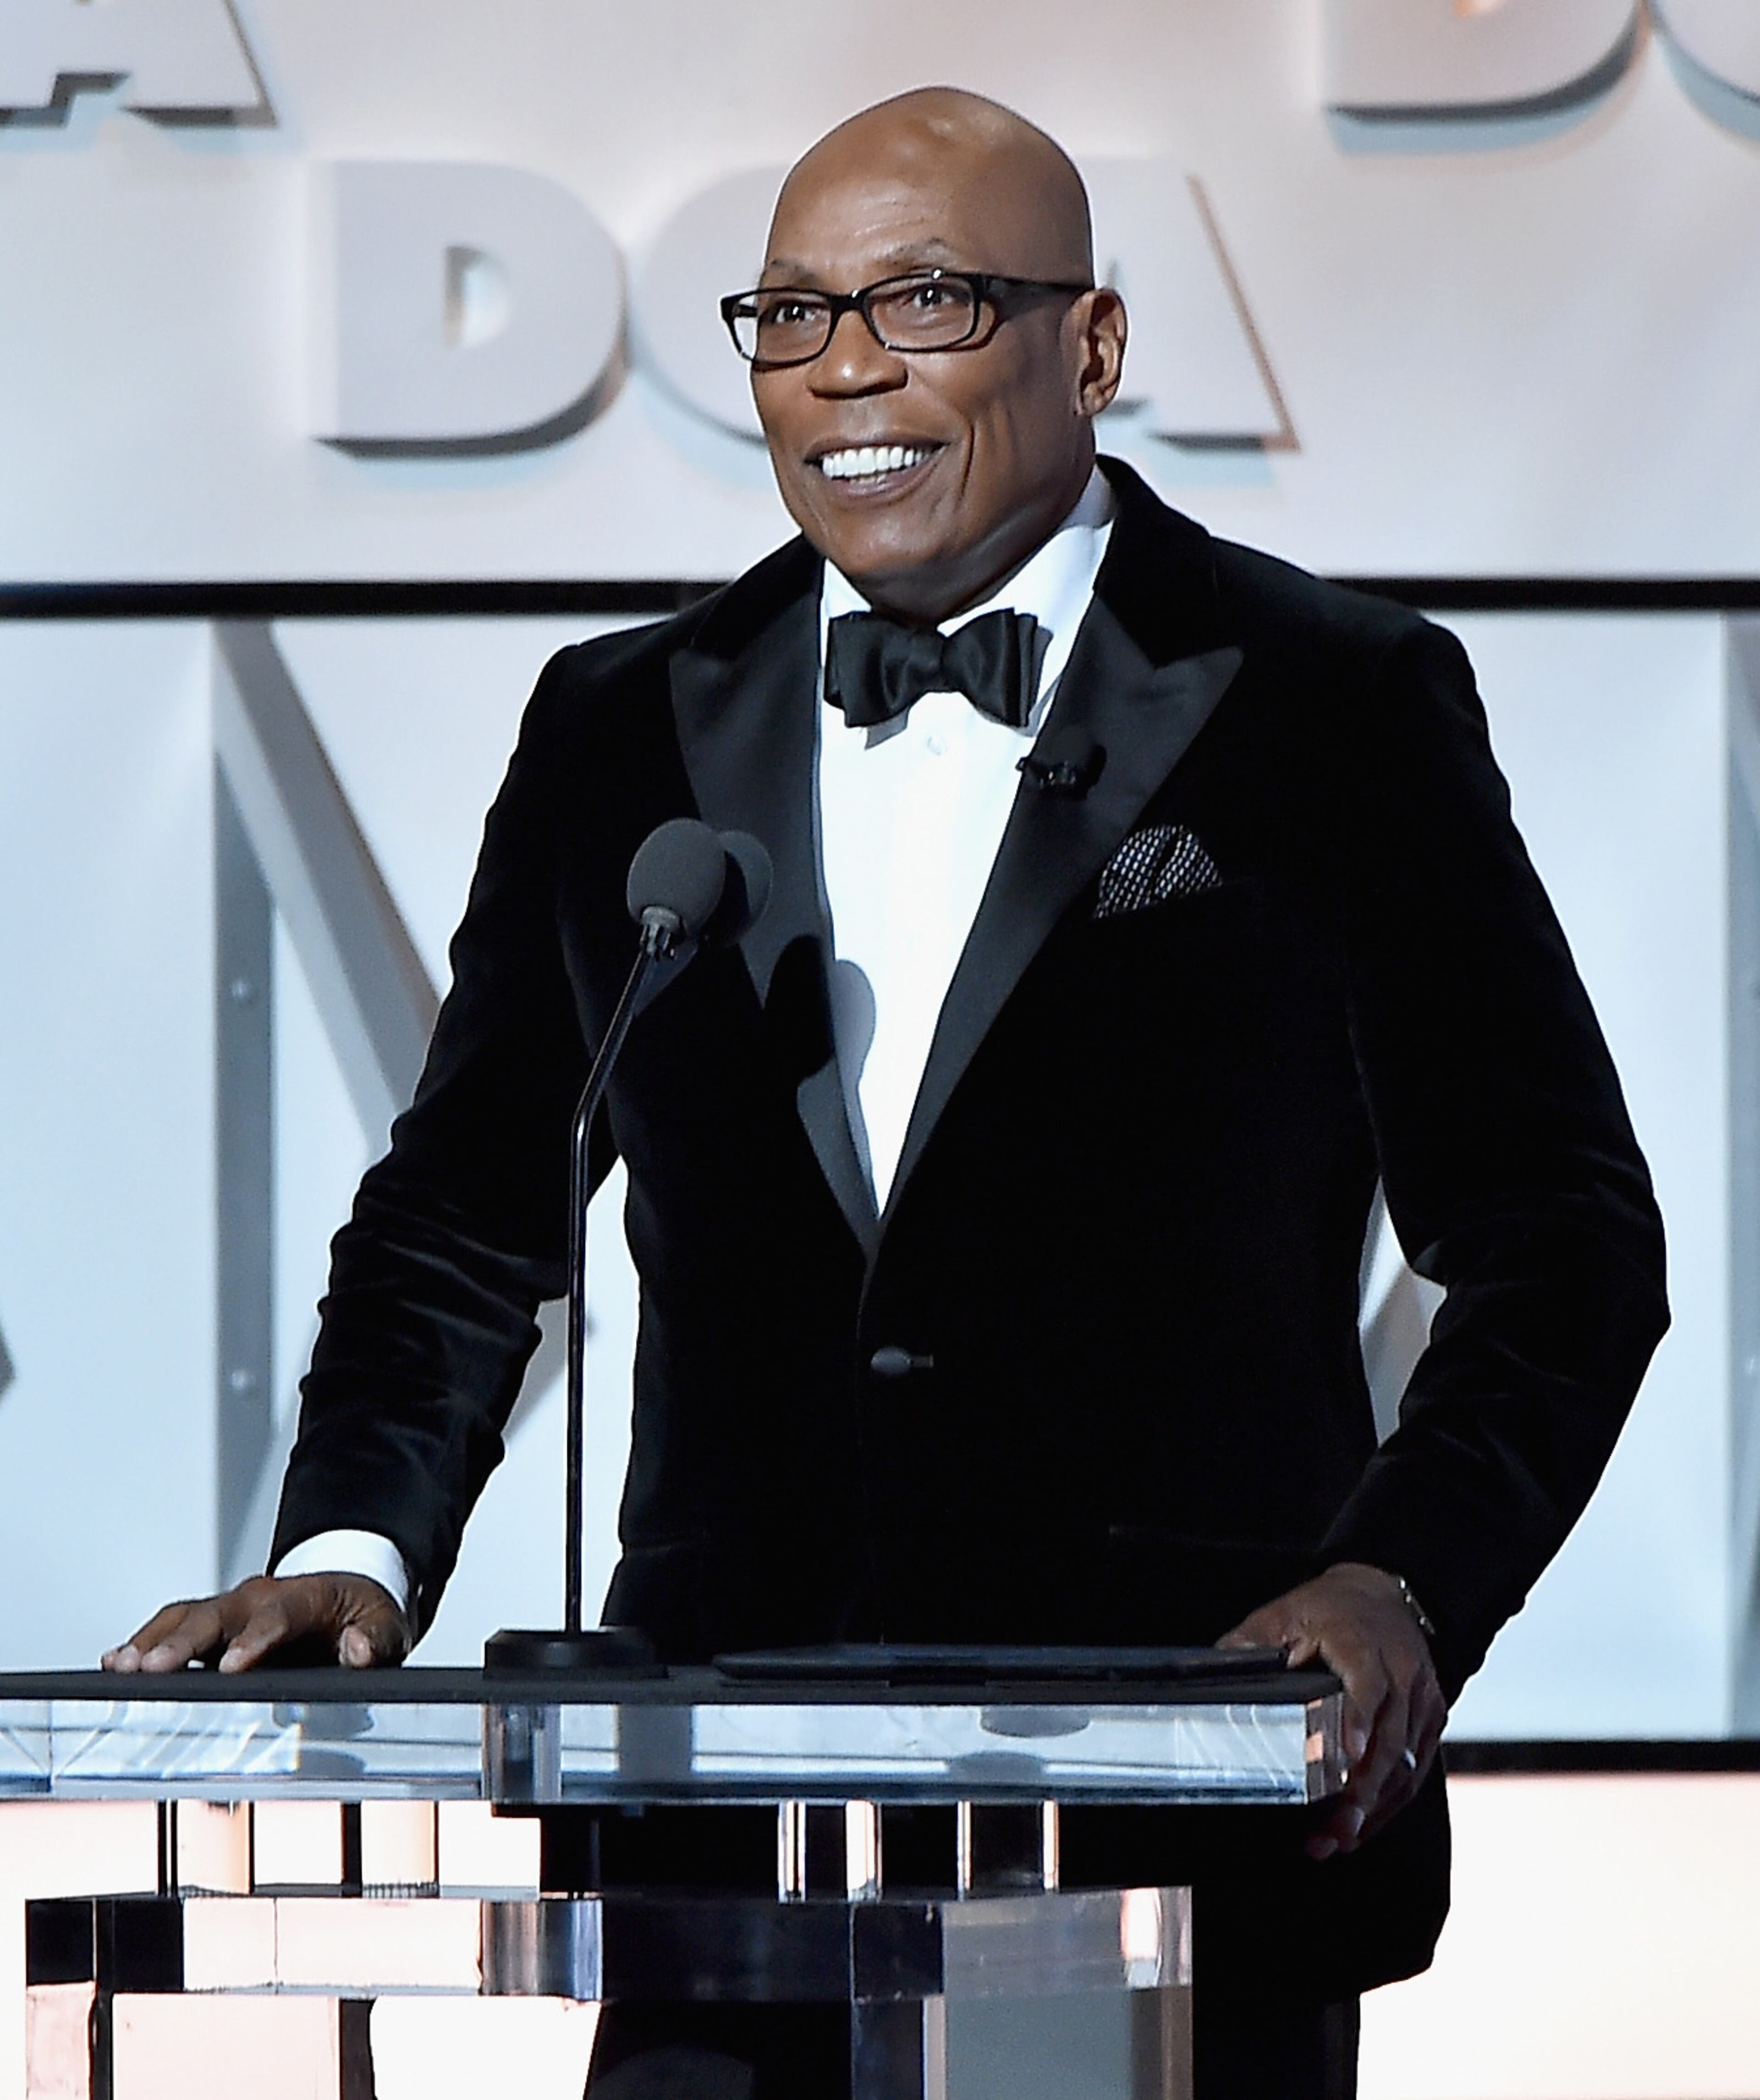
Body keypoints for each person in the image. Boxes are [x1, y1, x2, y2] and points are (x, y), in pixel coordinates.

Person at [106, 88, 1668, 2097]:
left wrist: (1404, 1576)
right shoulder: (619, 727)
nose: (845, 366)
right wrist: (357, 1552)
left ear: (1089, 347)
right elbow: (465, 1210)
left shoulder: (1334, 706)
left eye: (925, 300)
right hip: (716, 1846)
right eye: (790, 314)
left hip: (1178, 1841)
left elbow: (1560, 1240)